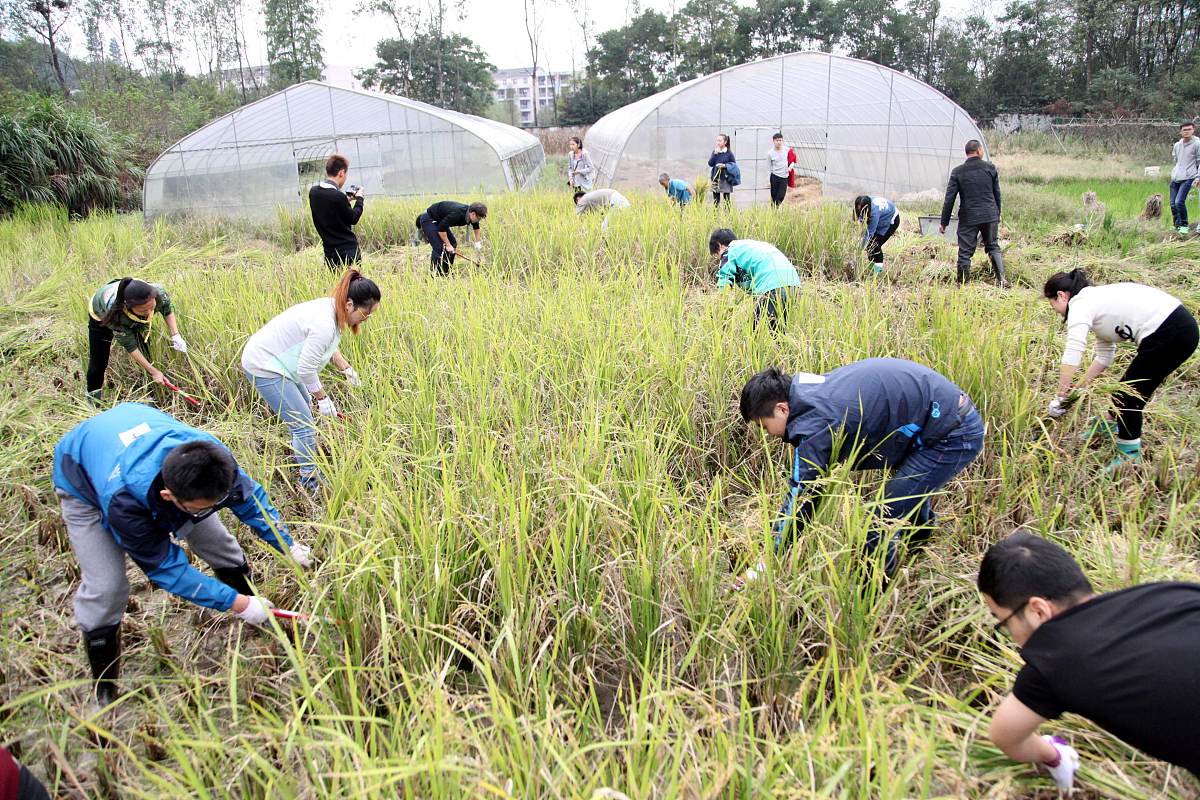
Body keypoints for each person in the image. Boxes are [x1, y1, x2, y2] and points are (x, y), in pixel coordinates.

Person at [53, 403, 313, 706]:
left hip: (138, 437)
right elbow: (167, 570)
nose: (216, 507)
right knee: (107, 588)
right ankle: (105, 690)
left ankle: (255, 616)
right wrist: (237, 603)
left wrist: (288, 545)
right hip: (83, 480)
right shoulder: (122, 504)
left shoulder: (211, 457)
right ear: (169, 496)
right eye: (205, 506)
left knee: (221, 546)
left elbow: (249, 500)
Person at [978, 531, 1200, 791]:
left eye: (1004, 622)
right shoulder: (1170, 592)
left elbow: (1005, 736)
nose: (1011, 635)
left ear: (1038, 610)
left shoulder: (1054, 660)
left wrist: (1054, 755)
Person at [737, 359, 983, 585]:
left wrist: (765, 563)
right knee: (905, 498)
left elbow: (802, 497)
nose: (767, 434)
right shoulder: (807, 390)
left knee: (876, 525)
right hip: (933, 419)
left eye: (764, 426)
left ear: (782, 409)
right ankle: (920, 550)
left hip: (951, 434)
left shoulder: (816, 425)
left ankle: (873, 604)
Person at [1043, 269, 1197, 470]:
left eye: (1052, 304)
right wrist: (1076, 391)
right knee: (1127, 386)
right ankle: (1109, 424)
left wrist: (1061, 393)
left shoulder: (1080, 303)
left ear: (1062, 296)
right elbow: (1104, 357)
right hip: (1177, 329)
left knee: (1129, 395)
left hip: (1171, 330)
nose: (1055, 311)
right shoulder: (1098, 305)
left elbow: (1074, 349)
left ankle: (1129, 455)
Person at [241, 269, 380, 494]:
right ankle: (309, 482)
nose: (365, 319)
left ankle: (306, 458)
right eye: (365, 314)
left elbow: (327, 346)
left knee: (304, 416)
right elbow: (306, 369)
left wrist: (346, 368)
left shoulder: (332, 308)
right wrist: (322, 398)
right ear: (349, 305)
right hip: (265, 366)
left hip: (282, 365)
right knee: (303, 425)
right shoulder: (324, 322)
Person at [86, 277, 188, 405]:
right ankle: (93, 402)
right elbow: (131, 347)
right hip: (102, 316)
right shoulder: (115, 315)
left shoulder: (158, 292)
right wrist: (154, 371)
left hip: (131, 311)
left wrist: (175, 335)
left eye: (152, 307)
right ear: (127, 307)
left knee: (146, 353)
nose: (150, 312)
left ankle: (150, 395)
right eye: (144, 310)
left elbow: (167, 309)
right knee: (99, 362)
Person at [939, 140, 1009, 288]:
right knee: (993, 246)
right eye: (982, 149)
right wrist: (997, 214)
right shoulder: (990, 168)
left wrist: (944, 222)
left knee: (965, 251)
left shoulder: (958, 172)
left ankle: (963, 285)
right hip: (990, 214)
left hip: (968, 216)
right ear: (978, 151)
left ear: (967, 153)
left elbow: (949, 199)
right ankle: (1002, 280)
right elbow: (997, 194)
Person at [709, 228, 802, 331]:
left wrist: (719, 309)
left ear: (720, 246)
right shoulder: (751, 247)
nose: (720, 260)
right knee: (777, 333)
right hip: (794, 286)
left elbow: (725, 279)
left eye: (718, 256)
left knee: (754, 334)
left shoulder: (729, 251)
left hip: (773, 287)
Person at [308, 153, 365, 271]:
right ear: (341, 173)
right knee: (353, 287)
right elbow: (353, 218)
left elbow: (330, 210)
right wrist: (359, 199)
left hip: (330, 253)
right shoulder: (338, 197)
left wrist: (346, 201)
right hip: (348, 252)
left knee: (336, 286)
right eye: (345, 175)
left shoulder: (314, 192)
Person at [417, 200, 487, 276]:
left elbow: (476, 227)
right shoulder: (457, 214)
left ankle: (446, 271)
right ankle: (433, 273)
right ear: (473, 214)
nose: (479, 220)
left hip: (440, 220)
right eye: (479, 218)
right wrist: (447, 245)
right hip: (429, 219)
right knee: (439, 247)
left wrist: (477, 242)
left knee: (453, 244)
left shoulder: (471, 214)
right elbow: (441, 229)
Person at [855, 195, 901, 274]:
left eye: (862, 209)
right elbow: (860, 220)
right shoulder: (864, 202)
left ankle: (877, 272)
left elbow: (869, 234)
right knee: (869, 245)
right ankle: (871, 269)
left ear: (867, 208)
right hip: (882, 217)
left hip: (891, 220)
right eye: (858, 209)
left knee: (875, 245)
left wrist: (859, 249)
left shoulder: (874, 213)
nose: (860, 211)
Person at [1169, 121, 1200, 234]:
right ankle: (1176, 226)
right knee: (1172, 203)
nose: (1187, 132)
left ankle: (1184, 226)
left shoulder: (1197, 143)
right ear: (1180, 131)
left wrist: (1198, 177)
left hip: (1189, 177)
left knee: (1179, 202)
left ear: (1193, 130)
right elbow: (1176, 159)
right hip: (1176, 176)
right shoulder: (1177, 145)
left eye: (1189, 129)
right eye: (1184, 130)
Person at [708, 133, 737, 207]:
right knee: (716, 201)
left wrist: (725, 166)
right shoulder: (715, 152)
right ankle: (715, 217)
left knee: (727, 200)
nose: (717, 142)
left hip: (726, 179)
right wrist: (715, 153)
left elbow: (734, 165)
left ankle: (728, 217)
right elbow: (710, 164)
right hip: (716, 179)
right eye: (717, 140)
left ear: (725, 142)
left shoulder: (729, 153)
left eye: (720, 141)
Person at [766, 133, 794, 207]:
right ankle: (773, 213)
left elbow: (793, 161)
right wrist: (768, 180)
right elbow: (768, 167)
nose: (779, 142)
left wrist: (790, 168)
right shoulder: (770, 153)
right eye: (777, 140)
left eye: (780, 140)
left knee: (781, 196)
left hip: (784, 177)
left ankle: (775, 208)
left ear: (782, 141)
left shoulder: (787, 150)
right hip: (774, 176)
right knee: (774, 196)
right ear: (773, 141)